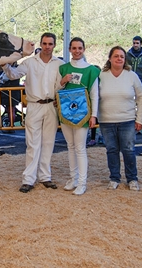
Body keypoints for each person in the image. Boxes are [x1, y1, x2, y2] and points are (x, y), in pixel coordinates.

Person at [2, 33, 64, 193]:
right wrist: (4, 62)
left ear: (54, 45)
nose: (47, 46)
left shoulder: (59, 64)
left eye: (50, 44)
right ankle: (28, 179)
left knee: (49, 143)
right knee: (32, 144)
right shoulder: (30, 62)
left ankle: (45, 177)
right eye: (44, 43)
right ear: (41, 44)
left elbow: (60, 86)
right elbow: (13, 74)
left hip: (51, 105)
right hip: (34, 105)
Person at [98, 46, 142, 191]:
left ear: (125, 59)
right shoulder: (101, 76)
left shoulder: (131, 75)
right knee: (111, 150)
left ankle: (132, 179)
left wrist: (140, 119)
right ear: (110, 58)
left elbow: (141, 97)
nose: (119, 59)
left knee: (128, 150)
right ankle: (114, 178)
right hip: (106, 121)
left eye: (122, 56)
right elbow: (94, 97)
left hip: (127, 120)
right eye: (116, 56)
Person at [58, 37, 100, 195]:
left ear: (84, 49)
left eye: (79, 48)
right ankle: (73, 178)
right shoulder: (63, 68)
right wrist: (63, 81)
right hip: (66, 113)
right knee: (70, 146)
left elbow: (95, 94)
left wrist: (94, 115)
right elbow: (57, 89)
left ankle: (82, 182)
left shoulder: (92, 70)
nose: (77, 51)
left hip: (83, 114)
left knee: (80, 148)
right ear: (69, 49)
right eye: (74, 48)